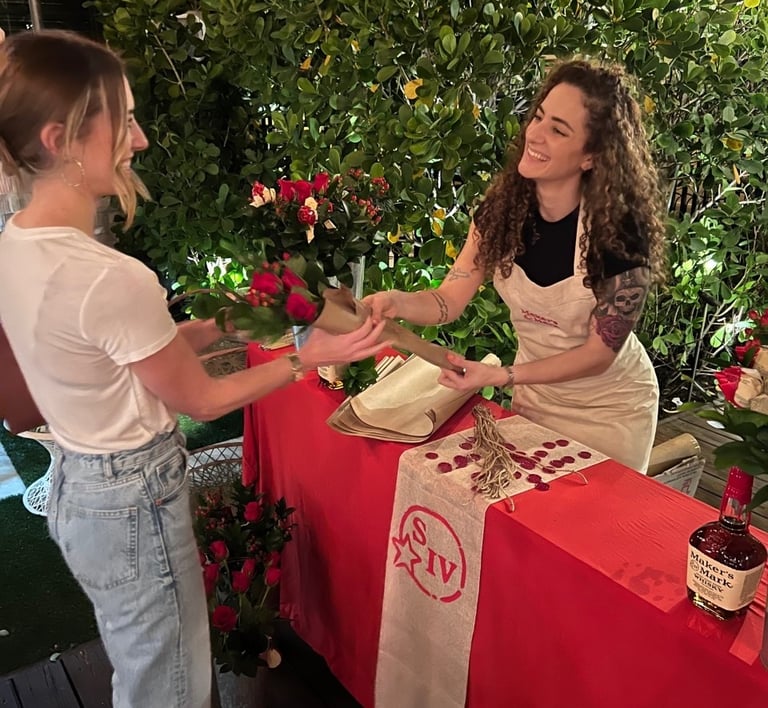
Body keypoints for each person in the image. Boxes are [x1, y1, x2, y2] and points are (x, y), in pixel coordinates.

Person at [0, 30, 387, 708]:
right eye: (123, 121)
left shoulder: (18, 241)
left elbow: (119, 353)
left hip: (80, 489)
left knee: (143, 668)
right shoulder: (109, 276)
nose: (141, 139)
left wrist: (226, 319)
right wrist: (306, 358)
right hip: (132, 499)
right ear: (60, 140)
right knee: (170, 688)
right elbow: (202, 400)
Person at [364, 58, 666, 472]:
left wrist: (502, 375)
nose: (534, 134)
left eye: (558, 130)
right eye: (538, 117)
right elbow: (449, 299)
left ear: (591, 156)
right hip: (536, 395)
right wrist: (397, 303)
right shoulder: (502, 210)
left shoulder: (620, 235)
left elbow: (599, 354)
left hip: (611, 411)